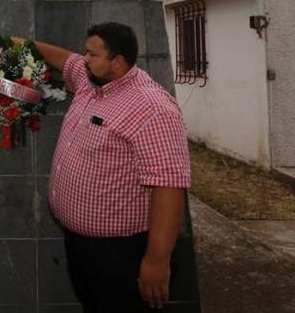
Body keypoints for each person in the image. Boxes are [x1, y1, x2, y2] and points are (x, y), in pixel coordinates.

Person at [18, 22, 190, 311]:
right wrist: (12, 43)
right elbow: (62, 58)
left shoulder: (152, 108)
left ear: (118, 62)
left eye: (92, 54)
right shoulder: (91, 81)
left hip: (122, 254)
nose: (83, 59)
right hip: (81, 245)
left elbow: (169, 186)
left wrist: (156, 261)